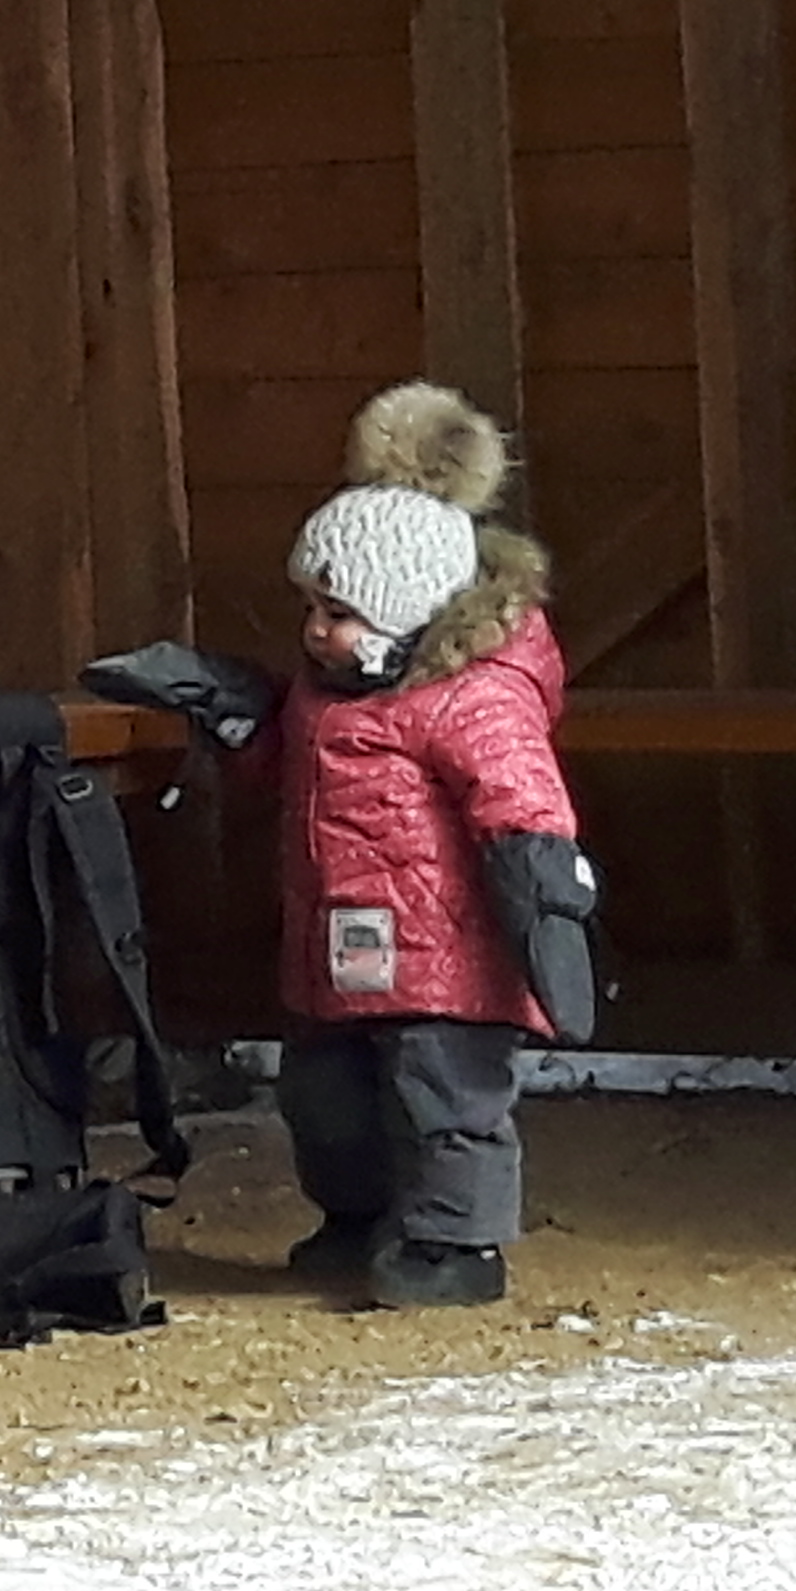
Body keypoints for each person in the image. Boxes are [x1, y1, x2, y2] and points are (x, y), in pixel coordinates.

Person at [245, 382, 581, 1310]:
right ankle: (356, 1218)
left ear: (404, 615)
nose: (318, 629)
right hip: (340, 945)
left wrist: (546, 887)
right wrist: (237, 720)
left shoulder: (471, 696)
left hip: (447, 954)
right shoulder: (322, 692)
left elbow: (522, 790)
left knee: (447, 1101)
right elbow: (294, 769)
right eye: (311, 605)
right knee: (325, 1098)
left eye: (340, 611)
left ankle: (457, 1242)